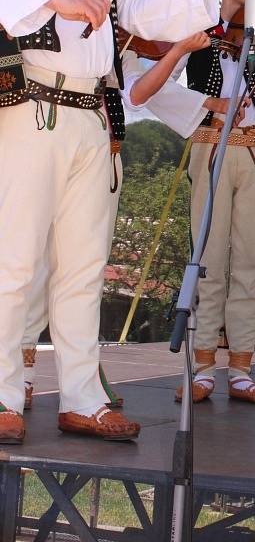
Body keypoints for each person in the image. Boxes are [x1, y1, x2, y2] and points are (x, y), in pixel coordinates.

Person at [0, 0, 252, 444]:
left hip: (93, 114)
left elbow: (149, 13)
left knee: (84, 265)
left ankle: (82, 395)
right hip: (30, 105)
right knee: (15, 260)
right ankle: (2, 391)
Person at [123, 0, 255, 406]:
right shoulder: (193, 25)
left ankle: (242, 367)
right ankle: (203, 366)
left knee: (250, 261)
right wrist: (208, 104)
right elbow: (150, 87)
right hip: (211, 144)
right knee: (206, 258)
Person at [21, 73, 126, 411]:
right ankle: (21, 369)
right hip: (44, 128)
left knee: (88, 266)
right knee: (32, 263)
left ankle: (84, 384)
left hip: (102, 147)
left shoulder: (117, 44)